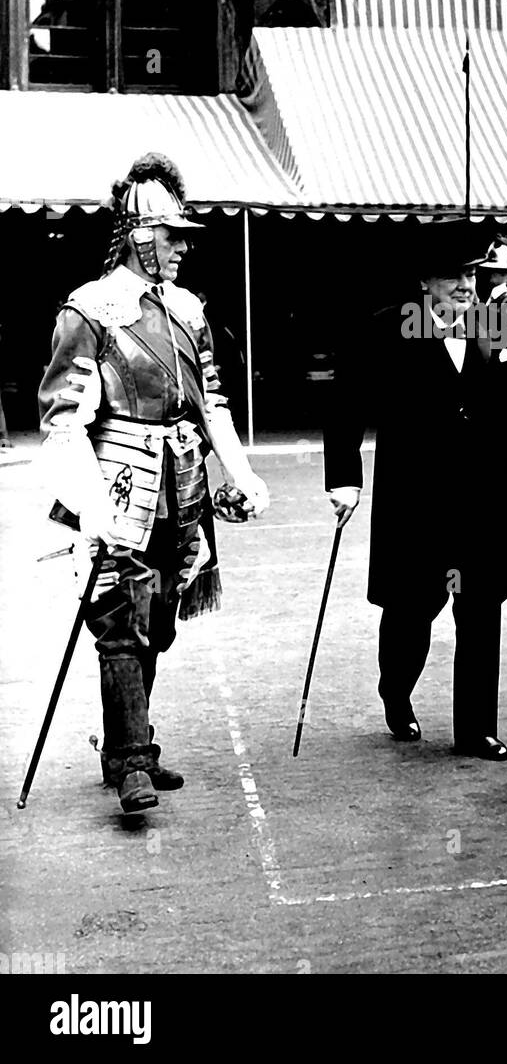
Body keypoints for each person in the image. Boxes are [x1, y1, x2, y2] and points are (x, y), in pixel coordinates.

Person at [38, 154, 269, 817]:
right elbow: (61, 422)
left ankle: (124, 747)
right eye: (170, 232)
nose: (181, 245)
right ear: (138, 233)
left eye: (183, 233)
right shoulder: (90, 310)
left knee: (158, 619)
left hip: (182, 480)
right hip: (117, 479)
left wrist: (242, 472)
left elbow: (212, 404)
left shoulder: (188, 310)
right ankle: (133, 763)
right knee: (120, 622)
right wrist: (87, 504)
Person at [323, 223, 507, 760]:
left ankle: (476, 729)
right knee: (410, 609)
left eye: (471, 273)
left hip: (480, 498)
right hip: (416, 500)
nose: (466, 285)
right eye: (454, 276)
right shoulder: (389, 328)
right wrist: (345, 479)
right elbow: (346, 403)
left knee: (479, 609)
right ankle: (395, 692)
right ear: (425, 282)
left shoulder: (492, 329)